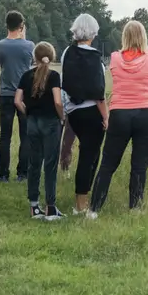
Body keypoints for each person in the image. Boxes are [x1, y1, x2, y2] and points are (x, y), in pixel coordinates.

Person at [88, 20, 148, 218]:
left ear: (124, 37)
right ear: (144, 38)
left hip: (120, 113)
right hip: (146, 114)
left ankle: (94, 210)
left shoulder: (115, 58)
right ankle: (135, 208)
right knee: (139, 164)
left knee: (108, 164)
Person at [60, 13, 108, 215]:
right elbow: (99, 92)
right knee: (90, 156)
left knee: (87, 155)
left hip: (74, 111)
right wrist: (106, 116)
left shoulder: (66, 53)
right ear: (94, 32)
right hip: (92, 112)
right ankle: (82, 204)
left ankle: (83, 200)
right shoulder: (96, 57)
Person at [14, 41, 65, 221]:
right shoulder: (54, 76)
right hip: (50, 122)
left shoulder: (26, 75)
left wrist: (27, 112)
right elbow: (58, 101)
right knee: (50, 164)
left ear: (34, 57)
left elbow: (17, 100)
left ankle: (34, 207)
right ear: (51, 57)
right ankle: (50, 207)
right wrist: (62, 117)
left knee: (34, 163)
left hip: (32, 122)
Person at [0, 10, 34, 182]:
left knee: (5, 135)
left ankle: (3, 174)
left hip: (6, 94)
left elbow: (2, 63)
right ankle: (22, 173)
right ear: (21, 26)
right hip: (24, 95)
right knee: (25, 135)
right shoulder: (29, 46)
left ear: (6, 25)